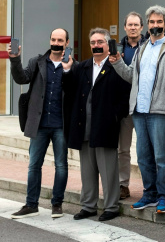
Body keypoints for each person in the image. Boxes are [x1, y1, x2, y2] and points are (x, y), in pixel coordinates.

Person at [111, 5, 165, 214]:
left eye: (159, 22)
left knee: (162, 157)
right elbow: (131, 75)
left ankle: (164, 197)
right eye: (152, 22)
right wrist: (117, 63)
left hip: (161, 112)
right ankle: (149, 194)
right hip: (140, 112)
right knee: (143, 157)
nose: (155, 25)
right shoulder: (142, 48)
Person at [62, 28, 129, 221]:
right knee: (87, 170)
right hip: (84, 125)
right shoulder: (81, 67)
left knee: (108, 169)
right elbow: (69, 90)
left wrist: (116, 115)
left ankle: (111, 206)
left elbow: (126, 94)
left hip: (106, 124)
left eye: (100, 42)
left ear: (108, 45)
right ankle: (88, 206)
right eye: (93, 43)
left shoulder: (117, 66)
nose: (96, 46)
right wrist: (66, 70)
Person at [9, 28, 71, 219]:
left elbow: (75, 91)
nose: (56, 43)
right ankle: (31, 204)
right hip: (39, 124)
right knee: (34, 165)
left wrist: (68, 72)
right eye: (53, 39)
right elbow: (21, 78)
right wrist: (15, 59)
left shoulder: (72, 65)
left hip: (61, 124)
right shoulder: (37, 62)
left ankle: (57, 204)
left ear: (66, 43)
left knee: (61, 165)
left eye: (60, 40)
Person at [118, 11, 146, 200]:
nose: (133, 28)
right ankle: (122, 185)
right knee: (123, 149)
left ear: (141, 28)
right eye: (130, 25)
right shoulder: (118, 48)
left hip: (144, 105)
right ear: (125, 27)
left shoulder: (149, 46)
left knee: (145, 149)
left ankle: (150, 186)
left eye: (136, 25)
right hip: (123, 105)